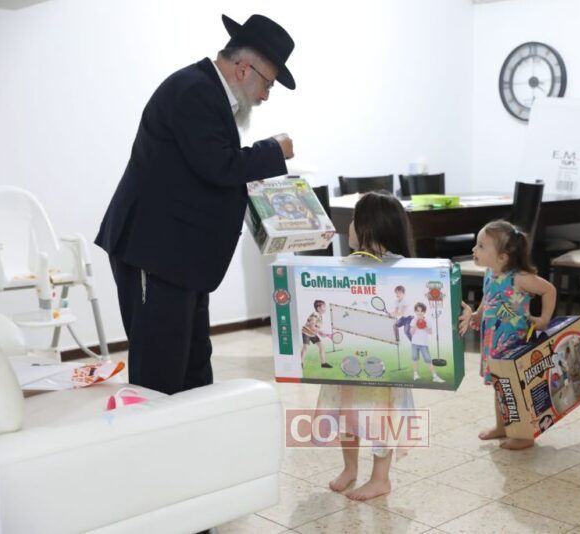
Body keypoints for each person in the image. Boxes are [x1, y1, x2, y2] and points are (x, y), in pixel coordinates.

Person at [95, 14, 296, 394]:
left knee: (193, 369)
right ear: (244, 69)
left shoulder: (206, 91)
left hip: (182, 259)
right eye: (268, 84)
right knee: (159, 375)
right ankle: (158, 435)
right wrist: (274, 150)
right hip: (155, 254)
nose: (265, 96)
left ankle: (194, 432)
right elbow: (219, 165)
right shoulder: (194, 91)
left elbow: (205, 170)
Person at [317, 191, 416, 500]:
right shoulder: (345, 265)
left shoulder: (403, 269)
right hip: (349, 358)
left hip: (384, 363)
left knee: (380, 417)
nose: (348, 227)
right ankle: (350, 468)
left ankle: (380, 478)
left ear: (368, 227)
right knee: (347, 413)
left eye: (352, 220)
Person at [458, 220, 557, 450]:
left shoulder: (519, 278)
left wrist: (544, 319)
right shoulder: (490, 273)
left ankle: (524, 435)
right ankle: (502, 426)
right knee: (500, 385)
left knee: (514, 388)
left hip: (514, 343)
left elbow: (549, 290)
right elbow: (489, 297)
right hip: (494, 342)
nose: (474, 249)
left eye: (481, 246)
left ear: (502, 257)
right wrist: (479, 313)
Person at [409, 302, 445, 383]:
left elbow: (430, 332)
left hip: (424, 344)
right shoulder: (413, 320)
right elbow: (411, 332)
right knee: (415, 358)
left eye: (421, 311)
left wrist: (424, 325)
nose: (419, 312)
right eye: (418, 311)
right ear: (415, 311)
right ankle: (415, 374)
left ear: (424, 312)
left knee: (428, 359)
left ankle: (435, 376)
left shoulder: (427, 320)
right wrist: (416, 324)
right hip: (414, 343)